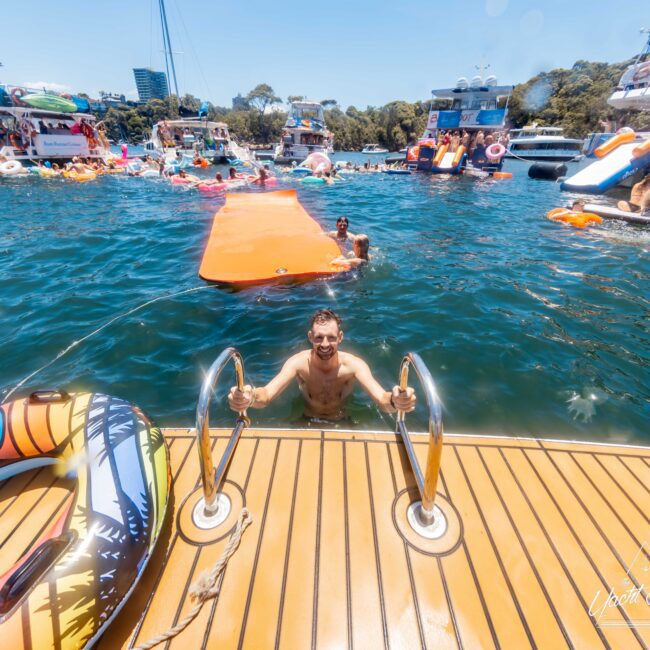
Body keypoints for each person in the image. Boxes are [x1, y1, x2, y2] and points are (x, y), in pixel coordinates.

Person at [228, 309, 416, 422]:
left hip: (342, 421)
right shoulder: (298, 364)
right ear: (310, 337)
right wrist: (249, 397)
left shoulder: (354, 366)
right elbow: (267, 395)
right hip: (307, 419)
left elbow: (382, 400)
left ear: (340, 337)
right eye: (319, 338)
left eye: (331, 338)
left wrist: (396, 401)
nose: (325, 344)